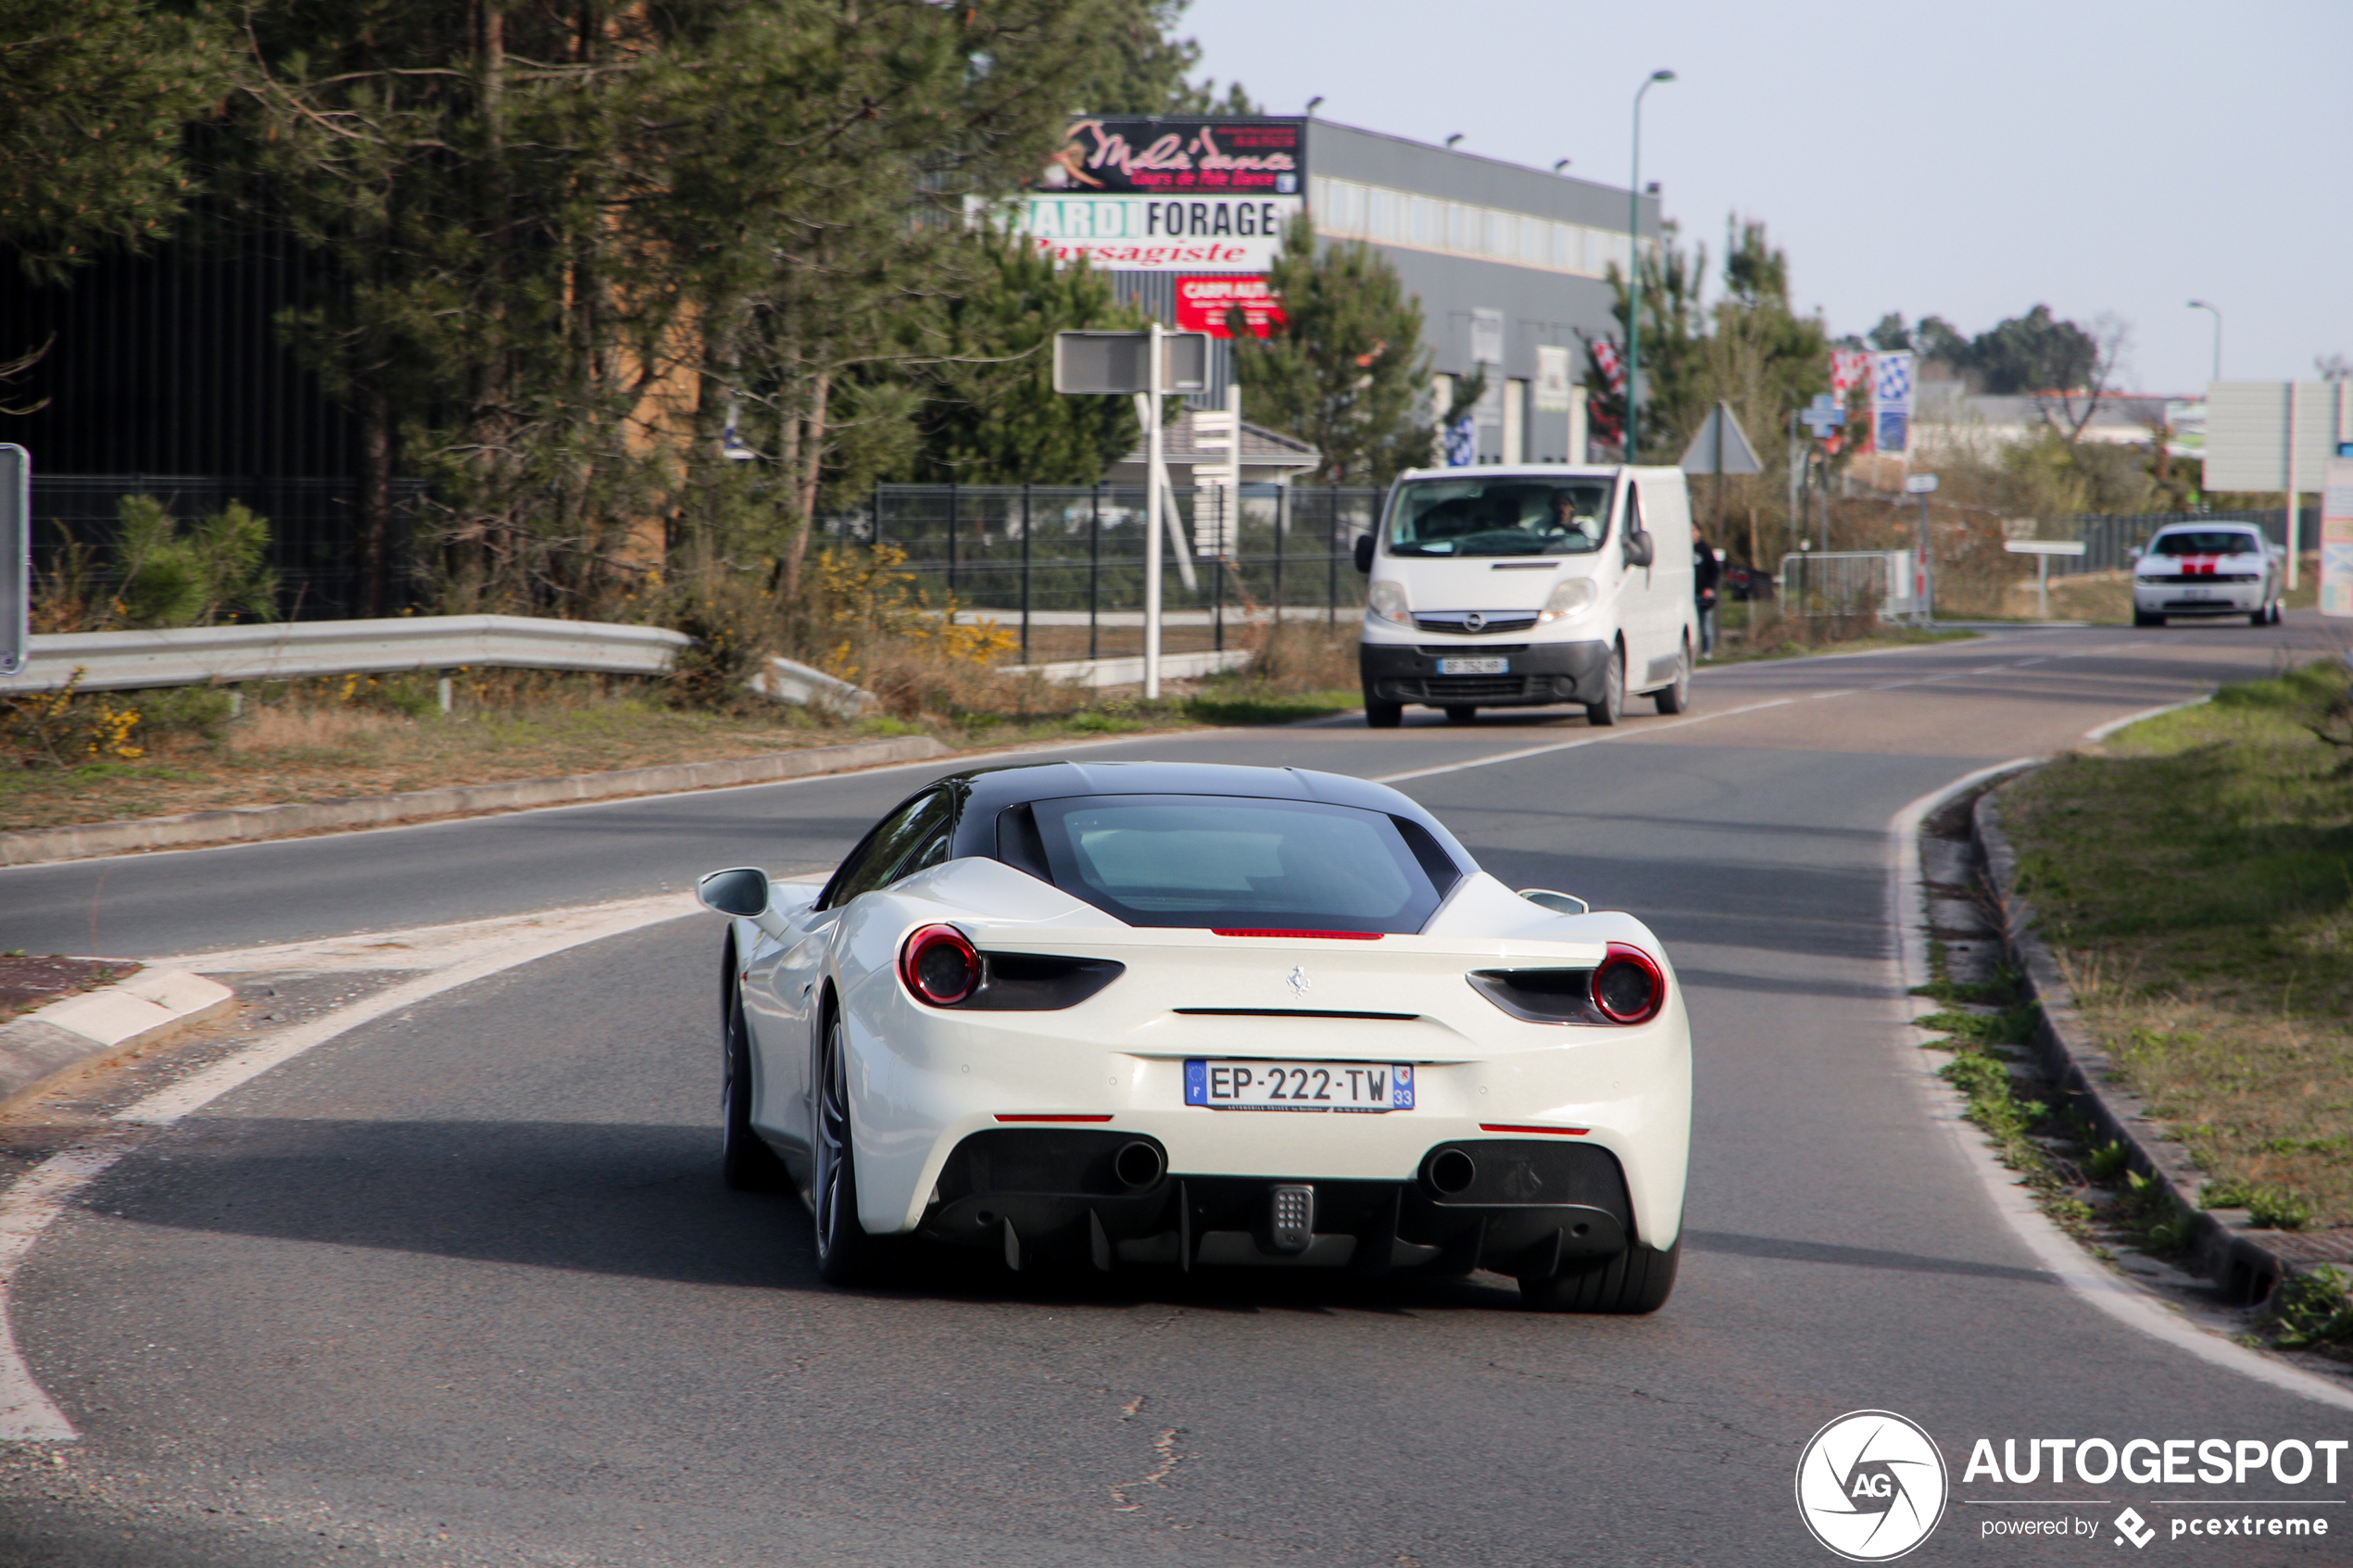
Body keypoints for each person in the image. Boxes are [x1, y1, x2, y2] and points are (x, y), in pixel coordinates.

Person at [1693, 533, 1722, 657]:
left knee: (1705, 625)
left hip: (1702, 593)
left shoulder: (1704, 548)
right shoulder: (1683, 548)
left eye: (1694, 529)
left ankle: (1706, 652)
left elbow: (1715, 570)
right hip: (1688, 593)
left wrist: (1709, 588)